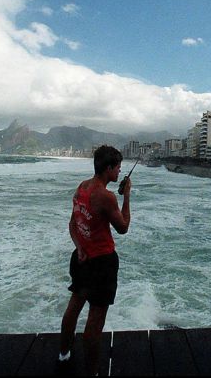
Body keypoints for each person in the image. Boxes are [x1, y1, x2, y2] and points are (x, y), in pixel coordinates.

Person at [57, 145, 132, 375]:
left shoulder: (82, 188)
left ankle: (64, 354)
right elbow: (123, 227)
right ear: (108, 168)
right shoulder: (106, 196)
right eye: (118, 167)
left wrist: (79, 247)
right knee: (95, 322)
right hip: (102, 264)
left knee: (74, 306)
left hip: (81, 259)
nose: (120, 172)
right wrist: (127, 196)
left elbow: (73, 225)